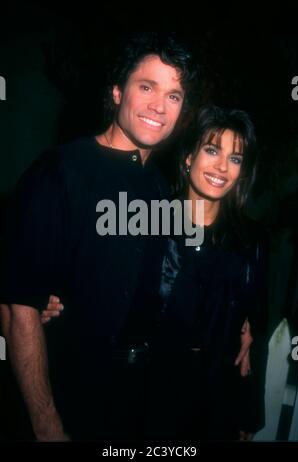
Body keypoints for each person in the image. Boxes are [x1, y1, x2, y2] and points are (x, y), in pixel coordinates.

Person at [0, 32, 201, 441]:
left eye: (174, 96)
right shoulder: (61, 171)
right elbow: (18, 307)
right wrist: (45, 423)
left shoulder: (161, 189)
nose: (159, 107)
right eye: (147, 87)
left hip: (133, 402)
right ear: (116, 92)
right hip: (66, 396)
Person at [146, 105, 269, 441]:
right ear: (188, 157)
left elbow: (256, 334)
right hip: (147, 396)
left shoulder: (251, 240)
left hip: (215, 404)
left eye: (236, 158)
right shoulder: (149, 223)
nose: (222, 167)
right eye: (212, 150)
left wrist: (248, 414)